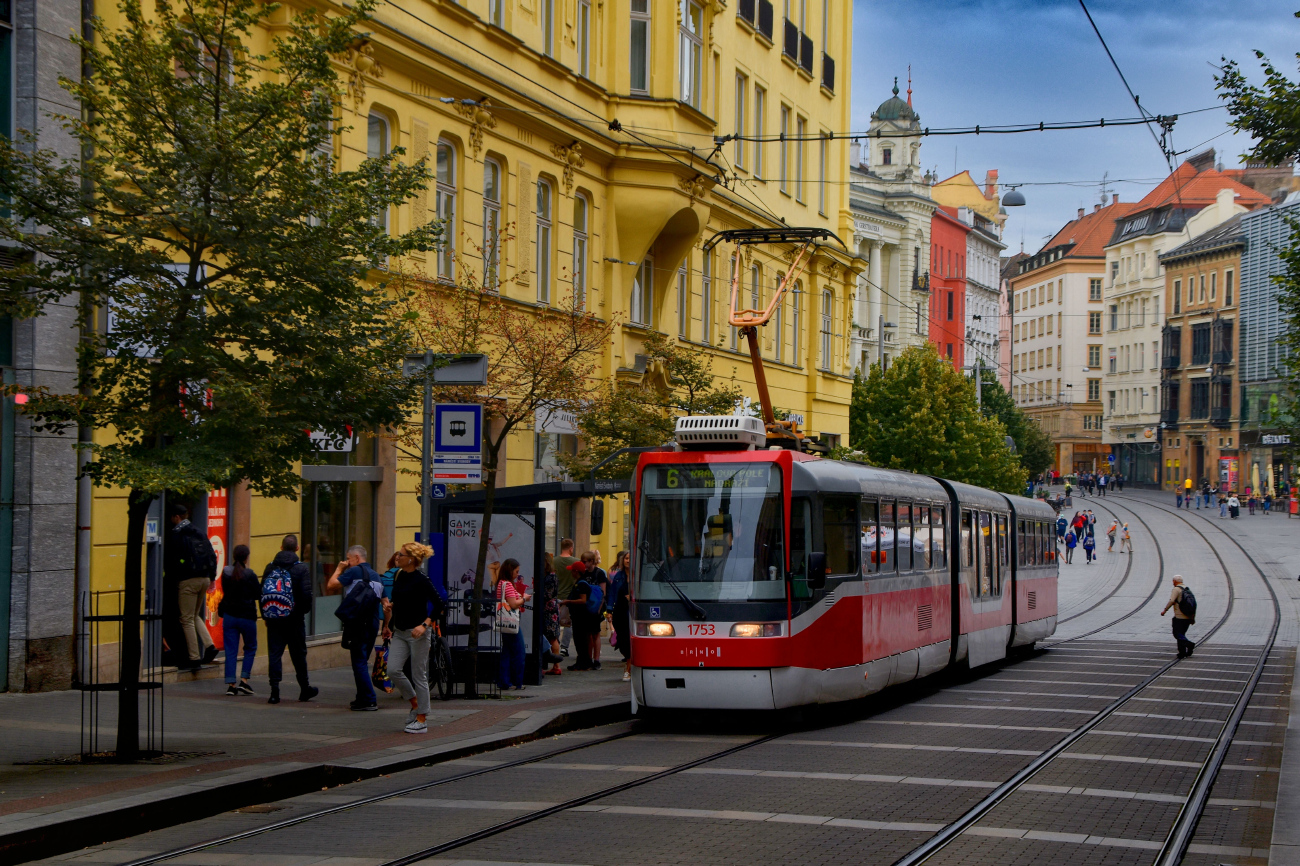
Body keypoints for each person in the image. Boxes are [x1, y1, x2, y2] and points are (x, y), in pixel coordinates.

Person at [383, 541, 438, 733]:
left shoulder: (422, 579)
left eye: (401, 555)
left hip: (417, 633)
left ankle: (422, 719)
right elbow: (401, 599)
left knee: (418, 675)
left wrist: (424, 625)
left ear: (412, 560)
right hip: (400, 630)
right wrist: (391, 606)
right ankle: (415, 703)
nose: (397, 557)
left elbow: (440, 605)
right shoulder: (399, 575)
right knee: (393, 670)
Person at [261, 535, 318, 705]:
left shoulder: (270, 567)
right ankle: (304, 688)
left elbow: (261, 593)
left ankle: (274, 692)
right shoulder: (301, 568)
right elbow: (306, 594)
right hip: (294, 619)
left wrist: (266, 615)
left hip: (274, 619)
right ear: (297, 549)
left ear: (281, 547)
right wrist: (301, 612)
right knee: (299, 654)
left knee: (275, 654)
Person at [326, 545, 385, 711]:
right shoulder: (376, 576)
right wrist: (386, 625)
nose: (347, 562)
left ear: (357, 558)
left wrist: (339, 568)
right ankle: (361, 697)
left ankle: (369, 699)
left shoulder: (354, 571)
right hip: (373, 624)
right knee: (362, 660)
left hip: (357, 623)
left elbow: (331, 585)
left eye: (349, 559)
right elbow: (386, 603)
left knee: (358, 662)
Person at [165, 503, 219, 672]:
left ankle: (194, 657)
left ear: (176, 517)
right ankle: (209, 646)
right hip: (204, 579)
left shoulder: (177, 534)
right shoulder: (199, 532)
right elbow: (211, 555)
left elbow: (173, 560)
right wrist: (211, 578)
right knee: (195, 615)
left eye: (172, 517)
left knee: (186, 619)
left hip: (188, 581)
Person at [218, 544, 260, 696]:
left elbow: (224, 590)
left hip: (229, 616)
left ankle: (231, 684)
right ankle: (244, 680)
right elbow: (258, 593)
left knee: (230, 650)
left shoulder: (226, 573)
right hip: (247, 617)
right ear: (246, 557)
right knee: (250, 647)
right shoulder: (250, 575)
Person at [494, 558, 530, 691]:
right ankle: (517, 682)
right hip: (511, 623)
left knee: (507, 652)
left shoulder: (501, 583)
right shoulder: (508, 584)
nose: (517, 574)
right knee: (519, 652)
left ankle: (504, 681)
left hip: (504, 621)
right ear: (510, 570)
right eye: (516, 571)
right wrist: (524, 599)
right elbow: (513, 603)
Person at [562, 561, 596, 671]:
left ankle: (584, 663)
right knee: (580, 639)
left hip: (582, 617)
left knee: (581, 639)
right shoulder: (579, 582)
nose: (571, 572)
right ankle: (583, 661)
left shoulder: (581, 584)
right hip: (578, 616)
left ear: (576, 572)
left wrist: (569, 601)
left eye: (572, 570)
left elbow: (583, 600)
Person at [608, 550, 632, 682]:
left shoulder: (638, 575)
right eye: (626, 558)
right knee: (622, 640)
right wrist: (609, 609)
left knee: (629, 639)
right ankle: (629, 661)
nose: (628, 560)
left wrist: (634, 597)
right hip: (620, 611)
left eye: (630, 558)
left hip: (633, 611)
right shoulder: (618, 576)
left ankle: (628, 668)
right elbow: (612, 594)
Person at [553, 538, 579, 658]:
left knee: (555, 623)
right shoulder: (576, 562)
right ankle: (564, 647)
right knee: (568, 624)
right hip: (569, 597)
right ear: (571, 548)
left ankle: (555, 644)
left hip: (556, 596)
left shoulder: (554, 562)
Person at [1160, 575, 1195, 657]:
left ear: (1175, 581)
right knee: (1181, 634)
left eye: (1173, 581)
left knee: (1177, 633)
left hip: (1179, 617)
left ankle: (1189, 644)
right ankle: (1182, 652)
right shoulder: (1187, 589)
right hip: (1188, 616)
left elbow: (1172, 600)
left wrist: (1165, 610)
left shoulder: (1176, 589)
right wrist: (1192, 618)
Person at [541, 553, 562, 676]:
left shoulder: (550, 577)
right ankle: (555, 665)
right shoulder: (551, 576)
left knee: (551, 636)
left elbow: (547, 594)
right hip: (550, 608)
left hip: (548, 609)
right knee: (551, 635)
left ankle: (556, 665)